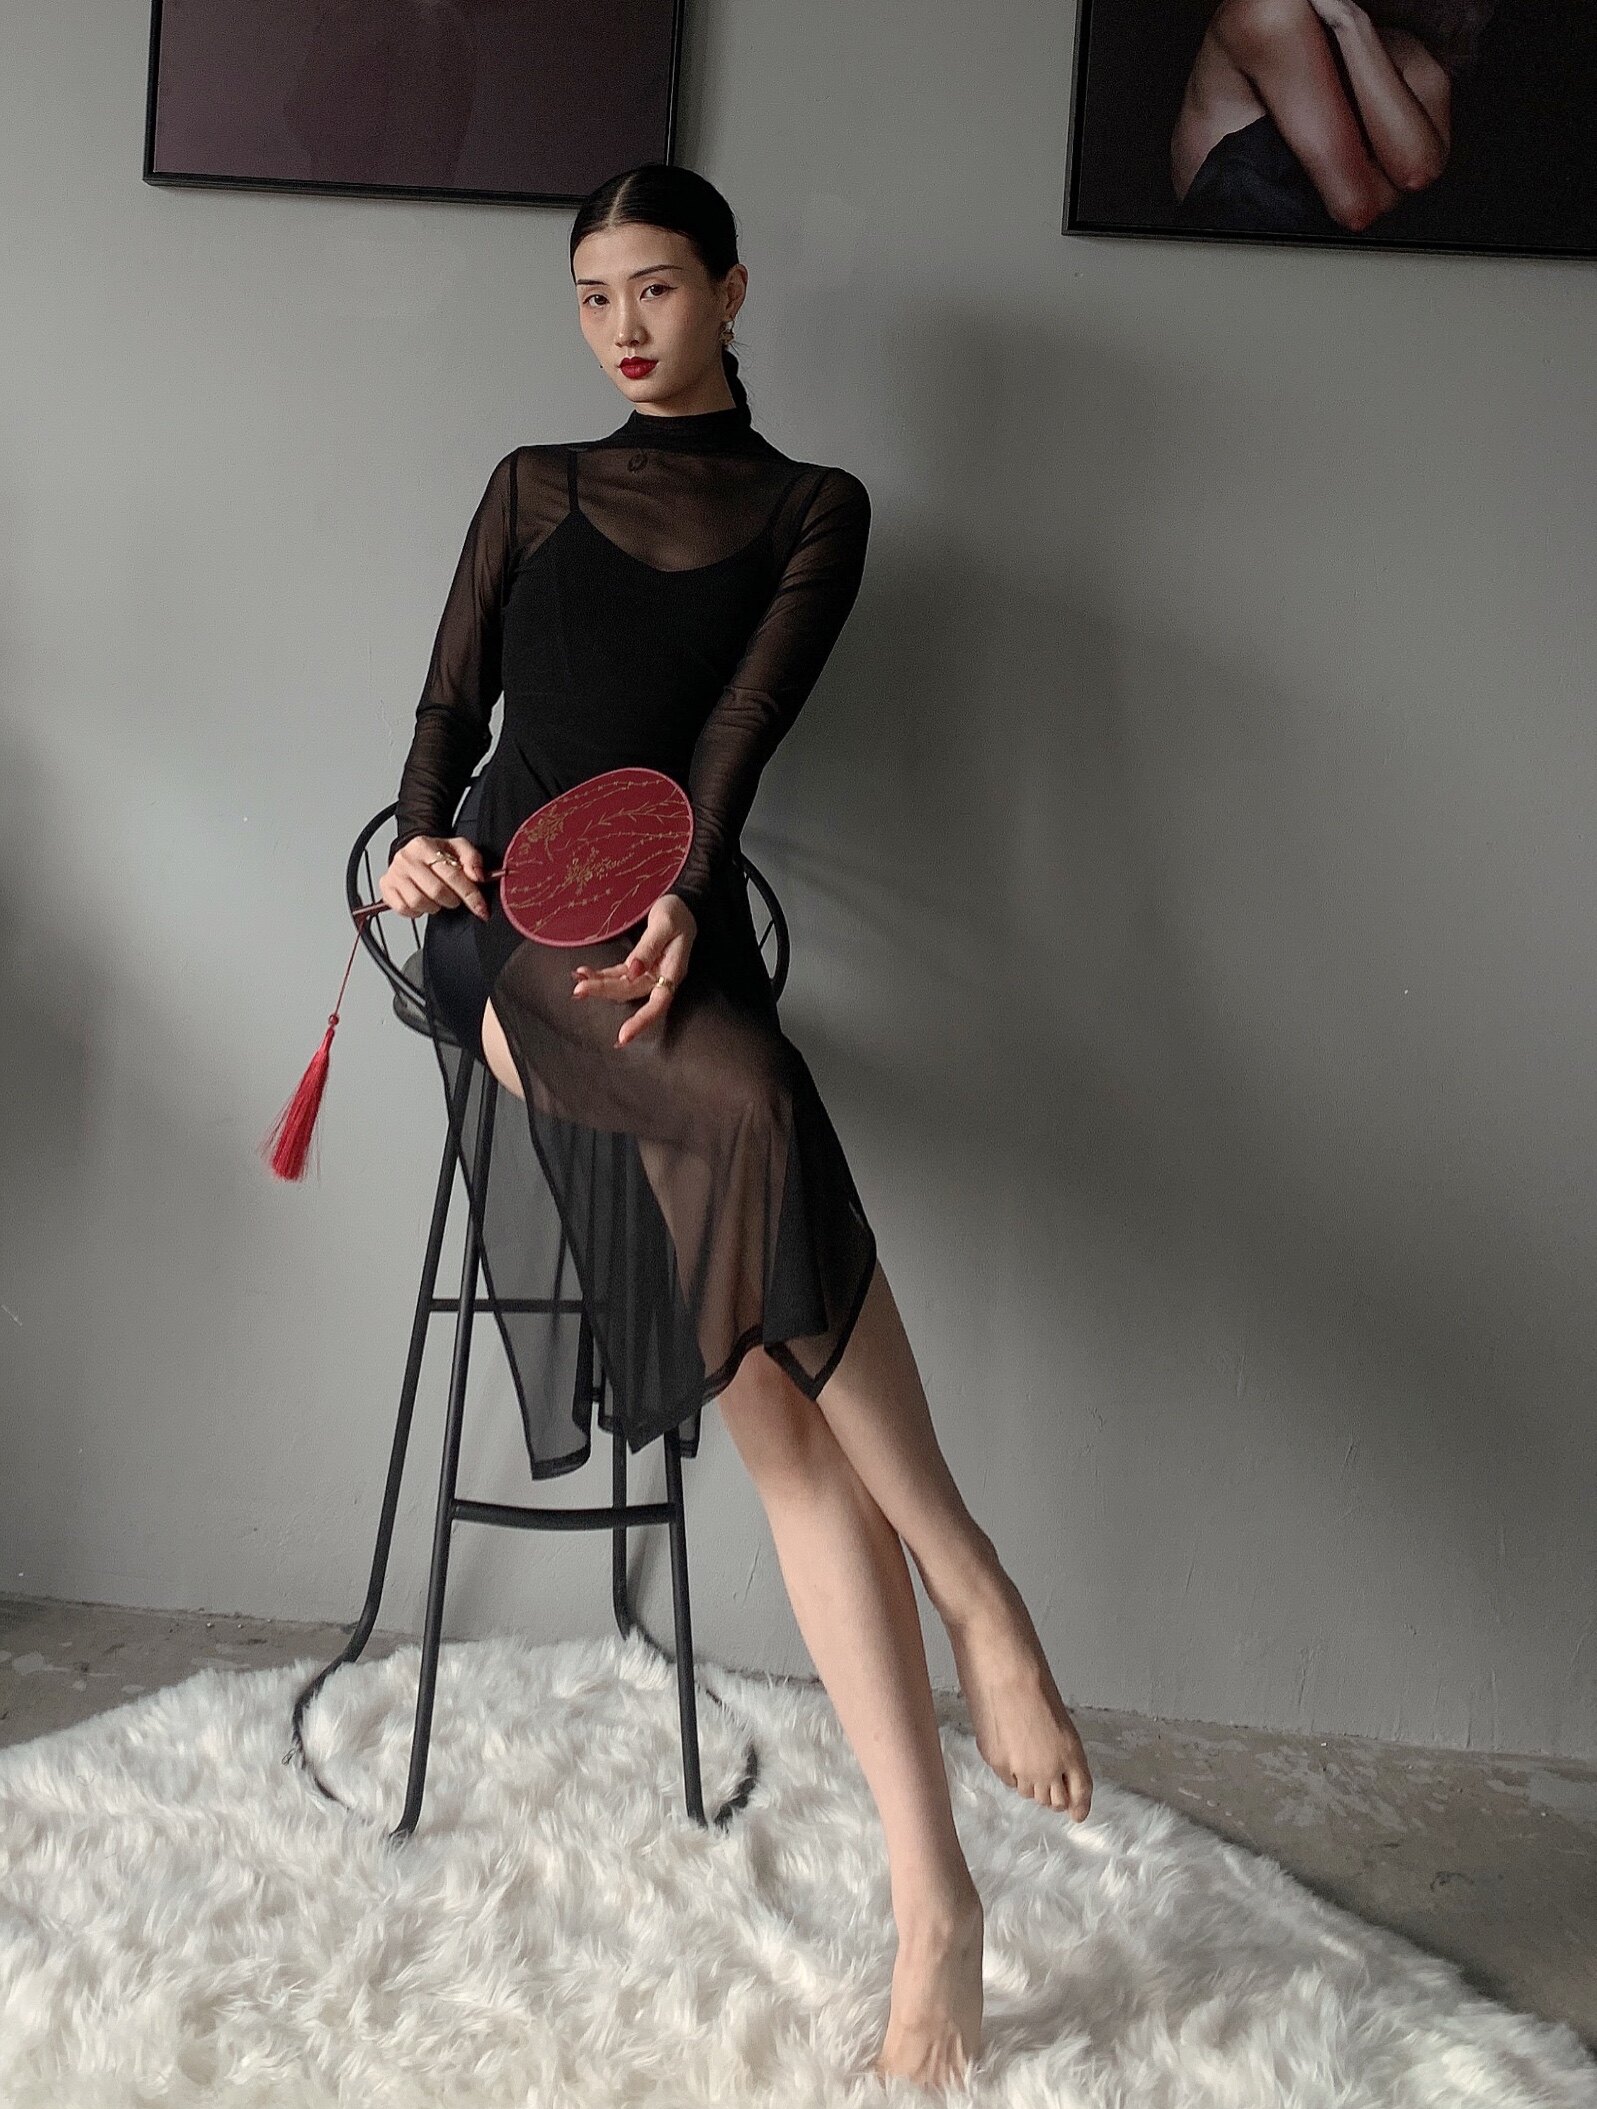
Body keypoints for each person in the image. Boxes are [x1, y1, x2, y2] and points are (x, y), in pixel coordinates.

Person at [377, 161, 1093, 2091]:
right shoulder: (531, 486)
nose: (622, 328)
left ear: (729, 290)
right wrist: (422, 841)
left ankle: (934, 1901)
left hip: (666, 937)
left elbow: (732, 742)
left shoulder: (811, 511)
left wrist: (691, 890)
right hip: (499, 938)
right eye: (593, 295)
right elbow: (443, 726)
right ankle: (974, 1580)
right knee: (761, 1100)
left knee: (781, 1413)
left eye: (658, 289)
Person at [1168, 0, 1487, 236]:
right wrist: (1346, 21)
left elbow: (1417, 172)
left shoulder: (1405, 50)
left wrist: (1350, 22)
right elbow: (1356, 208)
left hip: (1334, 284)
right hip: (1237, 277)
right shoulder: (1270, 11)